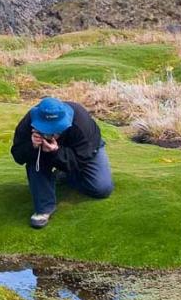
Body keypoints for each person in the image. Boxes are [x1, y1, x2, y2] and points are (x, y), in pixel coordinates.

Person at [11, 96, 114, 229]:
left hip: (85, 151)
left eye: (56, 130)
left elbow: (81, 159)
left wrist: (56, 152)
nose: (52, 134)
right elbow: (18, 156)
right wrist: (32, 146)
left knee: (102, 188)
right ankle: (44, 208)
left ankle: (66, 176)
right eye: (47, 130)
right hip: (44, 153)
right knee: (34, 158)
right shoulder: (29, 121)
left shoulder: (80, 122)